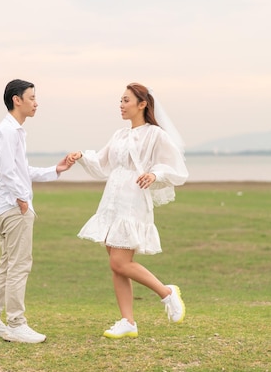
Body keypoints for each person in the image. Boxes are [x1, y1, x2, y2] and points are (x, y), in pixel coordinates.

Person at [66, 82, 189, 339]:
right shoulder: (119, 135)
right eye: (120, 101)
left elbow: (176, 168)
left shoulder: (156, 135)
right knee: (117, 266)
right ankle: (128, 321)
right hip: (112, 199)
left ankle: (167, 292)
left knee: (120, 261)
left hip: (133, 200)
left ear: (142, 104)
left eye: (126, 101)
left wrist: (155, 174)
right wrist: (82, 157)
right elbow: (102, 165)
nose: (121, 106)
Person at [0, 79, 72, 344]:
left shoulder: (14, 131)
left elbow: (21, 171)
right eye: (32, 97)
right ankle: (16, 324)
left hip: (8, 205)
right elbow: (7, 171)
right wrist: (21, 199)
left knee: (8, 266)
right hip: (13, 207)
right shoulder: (7, 131)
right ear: (17, 100)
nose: (36, 102)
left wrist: (56, 170)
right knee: (19, 265)